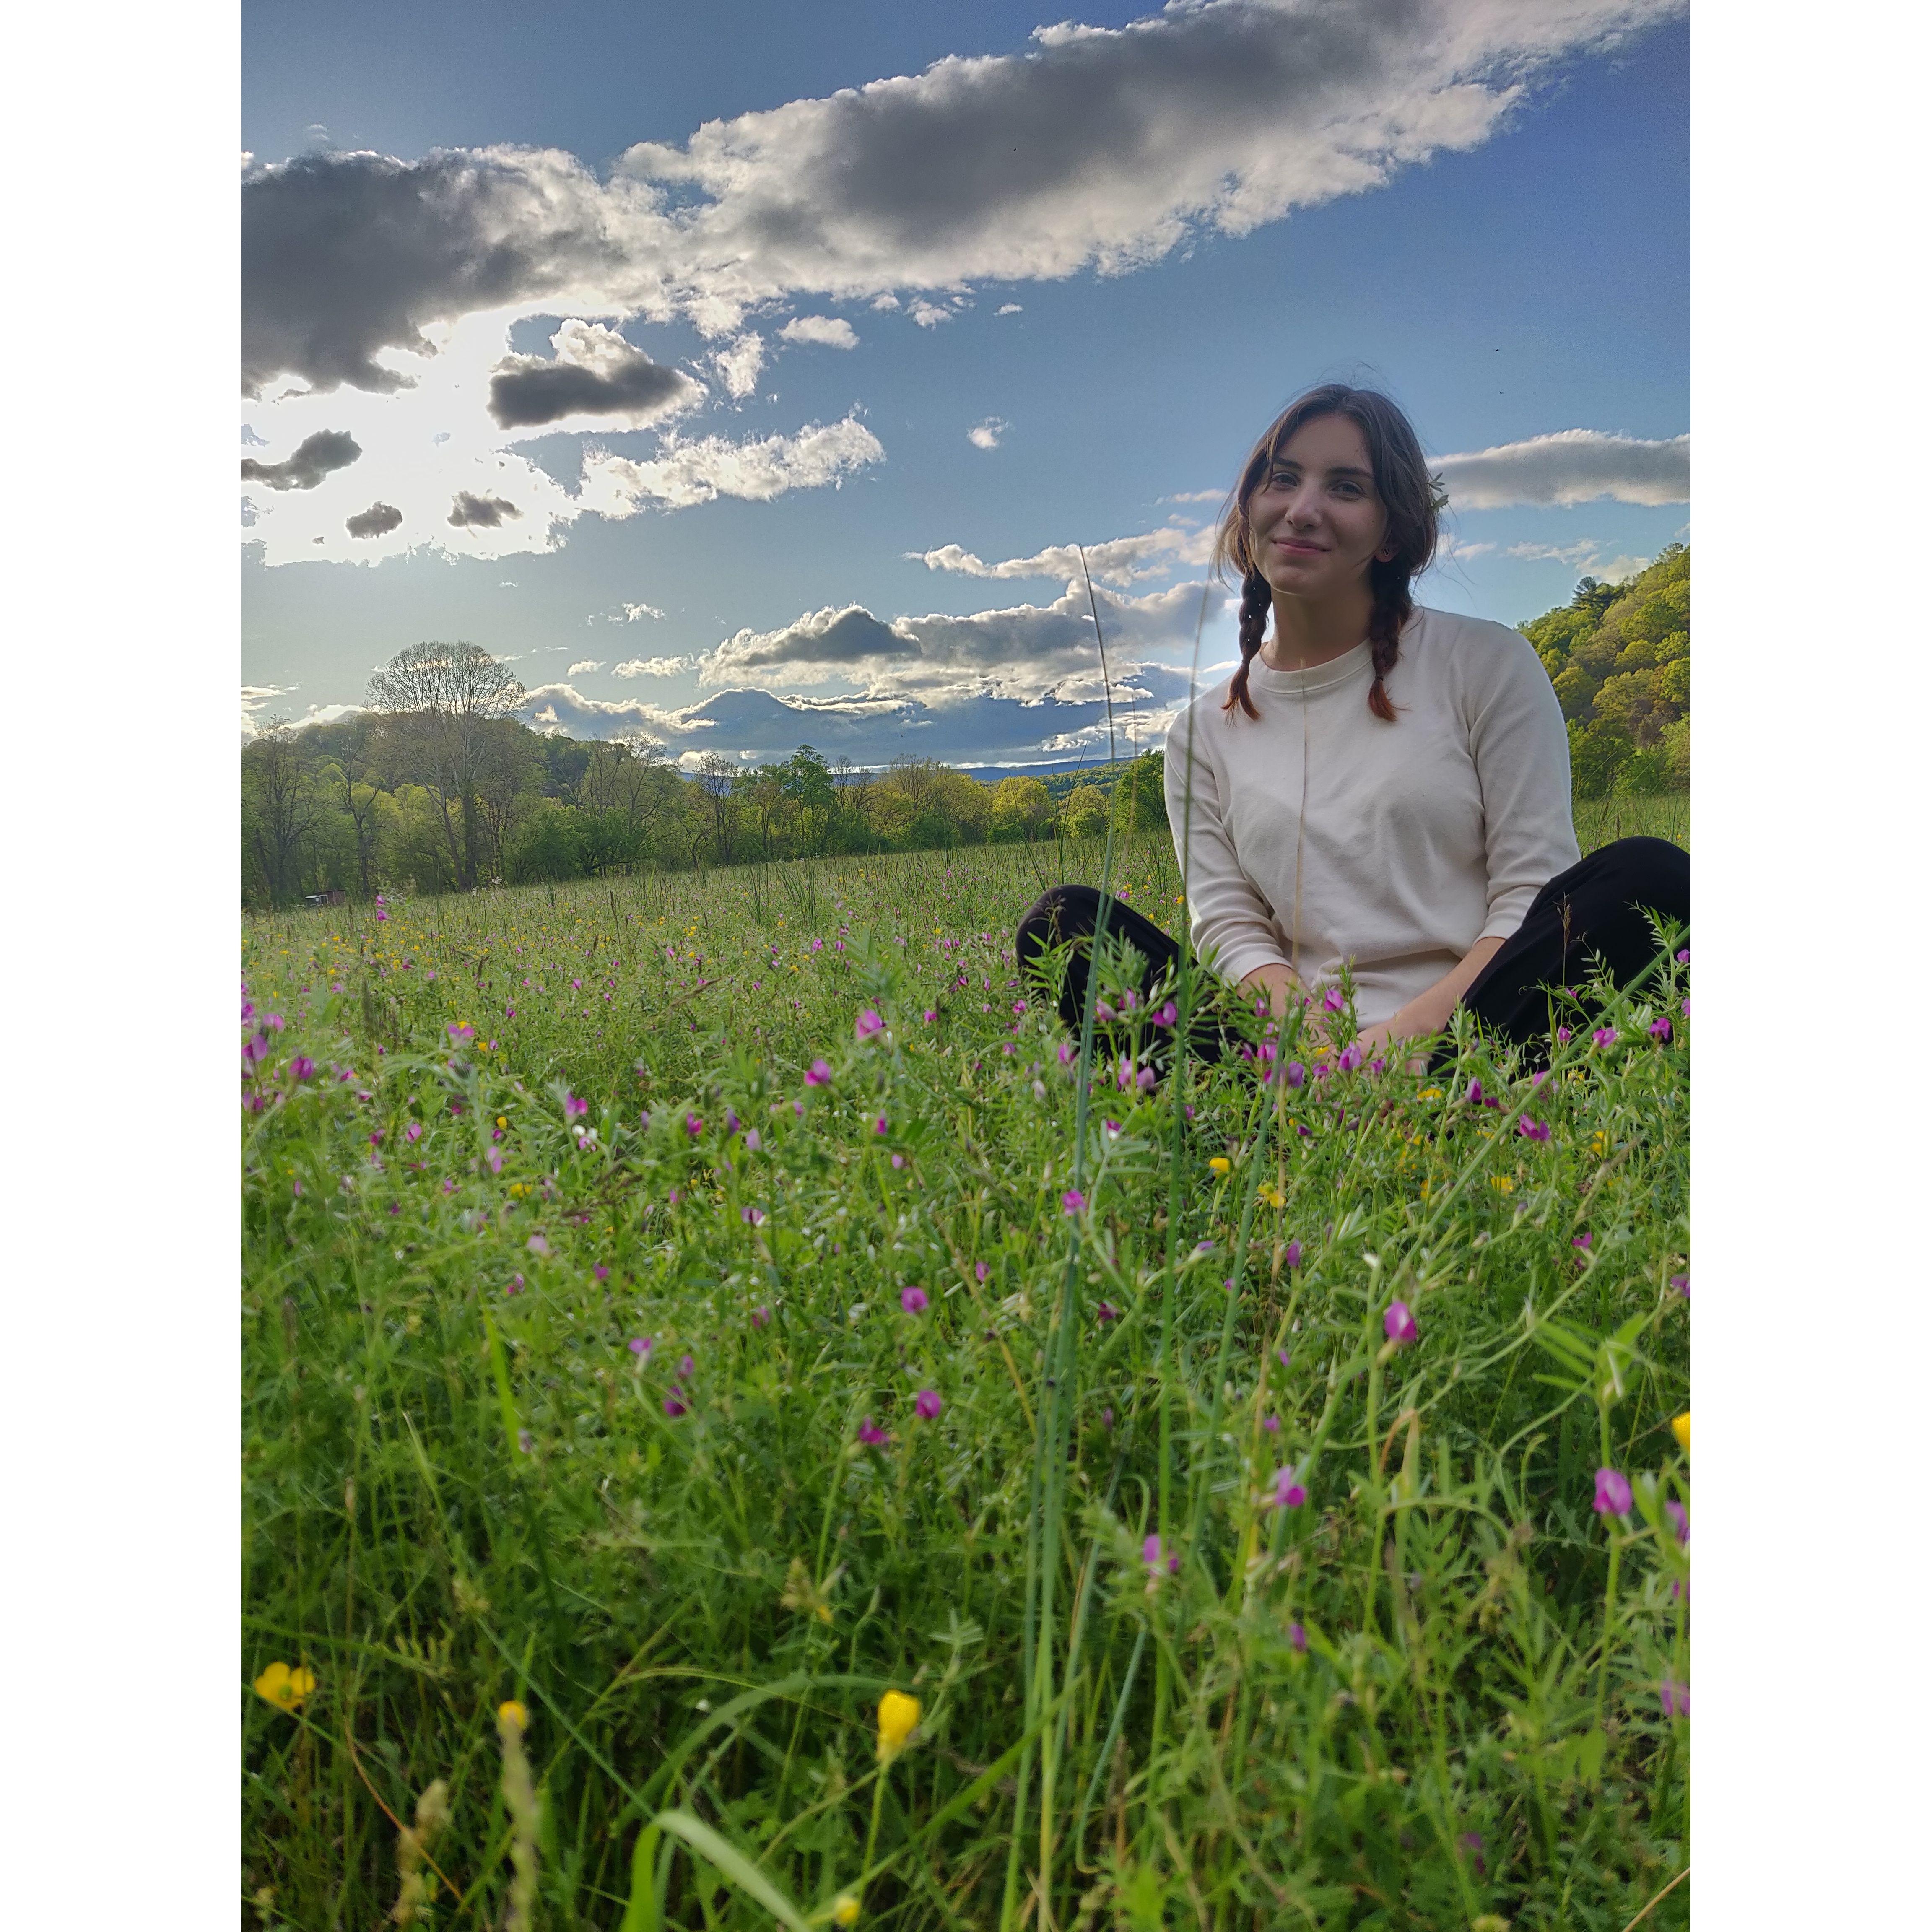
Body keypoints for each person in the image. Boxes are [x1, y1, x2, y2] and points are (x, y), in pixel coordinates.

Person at [1017, 382, 1688, 1067]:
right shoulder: (1201, 734)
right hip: (1291, 1056)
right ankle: (1283, 1121)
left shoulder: (1487, 663)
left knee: (1653, 877)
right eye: (1283, 480)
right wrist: (1319, 1050)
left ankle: (1458, 1105)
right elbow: (1230, 929)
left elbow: (1533, 890)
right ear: (1250, 507)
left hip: (1481, 1028)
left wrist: (1399, 1045)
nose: (1302, 510)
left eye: (1345, 488)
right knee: (1063, 927)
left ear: (1392, 531)